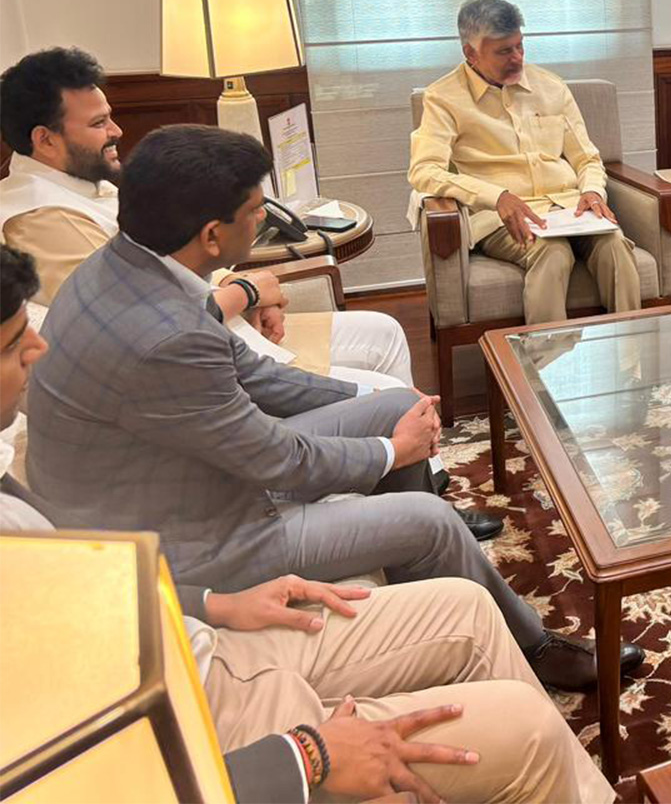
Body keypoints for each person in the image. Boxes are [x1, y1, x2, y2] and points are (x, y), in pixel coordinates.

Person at [24, 124, 643, 693]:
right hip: (197, 542)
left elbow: (256, 377)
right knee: (429, 519)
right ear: (212, 235)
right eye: (254, 211)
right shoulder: (164, 336)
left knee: (394, 402)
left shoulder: (126, 269)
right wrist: (391, 451)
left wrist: (376, 405)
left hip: (181, 486)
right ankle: (532, 649)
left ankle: (418, 577)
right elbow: (276, 458)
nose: (265, 218)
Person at [0, 245, 613, 804]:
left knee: (467, 608)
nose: (39, 349)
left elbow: (90, 612)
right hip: (200, 711)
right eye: (11, 343)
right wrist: (303, 755)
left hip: (193, 632)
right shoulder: (151, 329)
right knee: (526, 726)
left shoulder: (139, 284)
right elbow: (68, 773)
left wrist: (209, 605)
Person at [0, 47, 497, 539]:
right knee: (385, 397)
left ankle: (423, 485)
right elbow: (151, 314)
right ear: (44, 139)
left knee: (385, 339)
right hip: (203, 436)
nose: (117, 132)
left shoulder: (92, 184)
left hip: (230, 339)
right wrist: (247, 291)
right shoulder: (40, 218)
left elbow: (173, 273)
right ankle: (414, 497)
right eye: (99, 123)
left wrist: (255, 293)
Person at [409, 0, 641, 324]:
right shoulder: (443, 98)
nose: (517, 57)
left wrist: (592, 192)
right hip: (503, 217)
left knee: (614, 245)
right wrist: (496, 197)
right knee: (553, 254)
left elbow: (586, 157)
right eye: (504, 51)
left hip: (570, 209)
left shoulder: (551, 86)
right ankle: (548, 368)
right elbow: (424, 171)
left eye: (520, 46)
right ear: (470, 54)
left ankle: (632, 361)